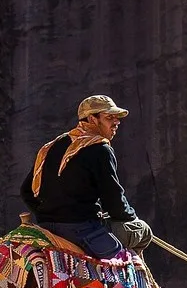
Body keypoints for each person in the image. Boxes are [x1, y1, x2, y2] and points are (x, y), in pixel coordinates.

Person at [21, 95, 154, 258]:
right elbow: (114, 202)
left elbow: (26, 190)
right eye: (109, 117)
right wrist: (131, 218)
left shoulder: (52, 146)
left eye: (117, 118)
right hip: (82, 230)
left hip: (46, 226)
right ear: (92, 119)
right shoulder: (100, 149)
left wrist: (48, 214)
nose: (117, 122)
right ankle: (129, 279)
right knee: (143, 231)